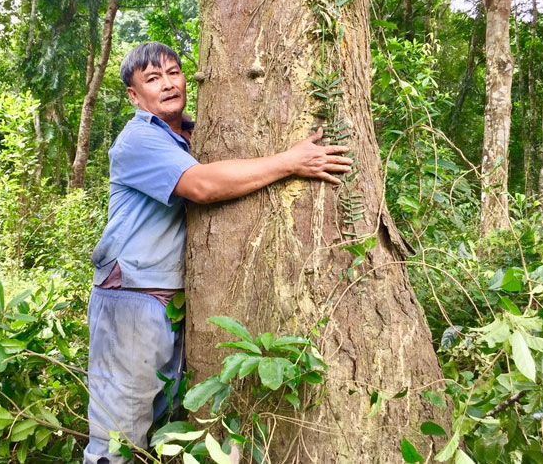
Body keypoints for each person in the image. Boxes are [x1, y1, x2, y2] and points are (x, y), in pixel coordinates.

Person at [83, 42, 352, 463]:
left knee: (162, 429)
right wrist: (290, 161)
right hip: (131, 302)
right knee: (116, 439)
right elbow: (202, 186)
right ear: (135, 96)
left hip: (168, 303)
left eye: (174, 72)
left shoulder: (185, 136)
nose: (169, 84)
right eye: (153, 79)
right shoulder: (138, 140)